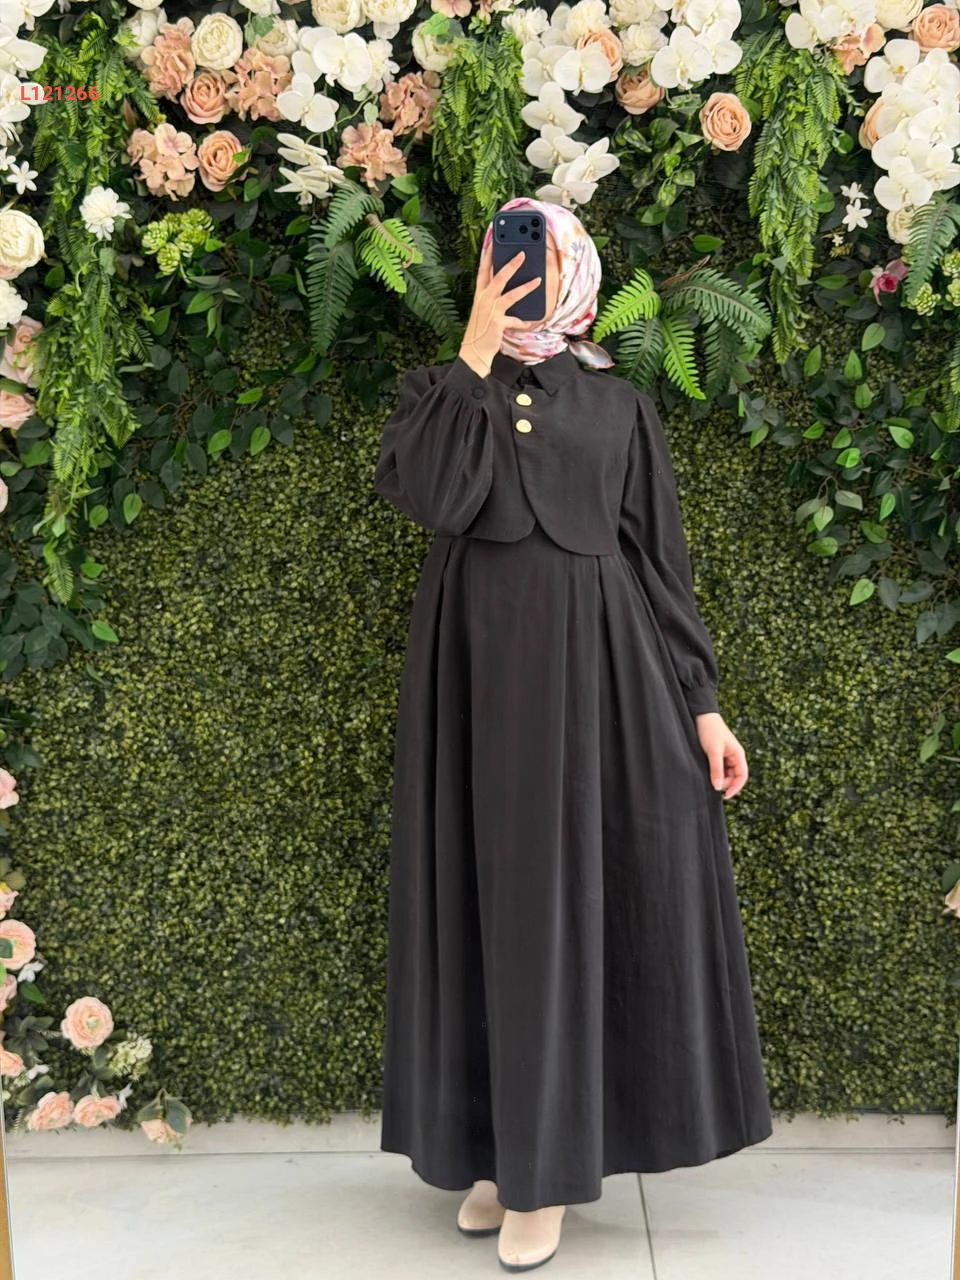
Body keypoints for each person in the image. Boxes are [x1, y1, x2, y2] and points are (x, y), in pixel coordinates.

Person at [372, 196, 774, 1274]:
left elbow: (658, 560)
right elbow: (430, 494)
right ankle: (500, 1152)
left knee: (564, 908)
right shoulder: (441, 393)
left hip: (603, 681)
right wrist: (471, 349)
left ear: (578, 271)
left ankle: (546, 1172)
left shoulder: (619, 404)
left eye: (539, 254)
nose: (521, 273)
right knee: (483, 906)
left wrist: (703, 703)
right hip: (473, 684)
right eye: (505, 253)